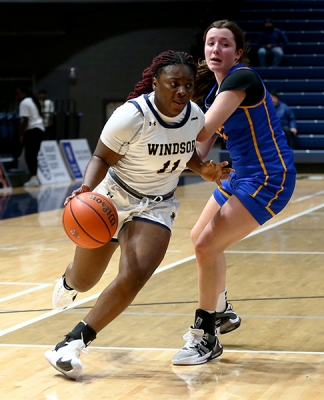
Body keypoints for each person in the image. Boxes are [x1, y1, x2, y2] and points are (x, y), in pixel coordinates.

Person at [44, 50, 233, 380]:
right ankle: (69, 280)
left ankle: (72, 342)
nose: (182, 92)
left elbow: (184, 150)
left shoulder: (194, 116)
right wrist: (87, 188)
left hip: (155, 204)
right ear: (156, 82)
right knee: (85, 279)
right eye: (174, 84)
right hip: (111, 199)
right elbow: (101, 157)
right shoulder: (130, 116)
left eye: (188, 85)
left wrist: (203, 169)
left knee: (137, 271)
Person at [171, 19, 297, 366]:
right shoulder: (212, 94)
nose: (216, 49)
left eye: (224, 44)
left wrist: (158, 122)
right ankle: (222, 310)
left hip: (269, 178)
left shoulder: (242, 78)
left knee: (206, 245)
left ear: (237, 52)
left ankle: (206, 335)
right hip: (240, 176)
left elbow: (203, 131)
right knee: (200, 238)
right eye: (211, 43)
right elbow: (196, 153)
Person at [15, 86, 45, 187]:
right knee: (33, 155)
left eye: (18, 93)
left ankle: (33, 177)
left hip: (32, 130)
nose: (17, 96)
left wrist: (22, 133)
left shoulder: (24, 103)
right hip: (40, 129)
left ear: (23, 93)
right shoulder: (32, 101)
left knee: (30, 155)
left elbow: (25, 120)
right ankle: (34, 177)